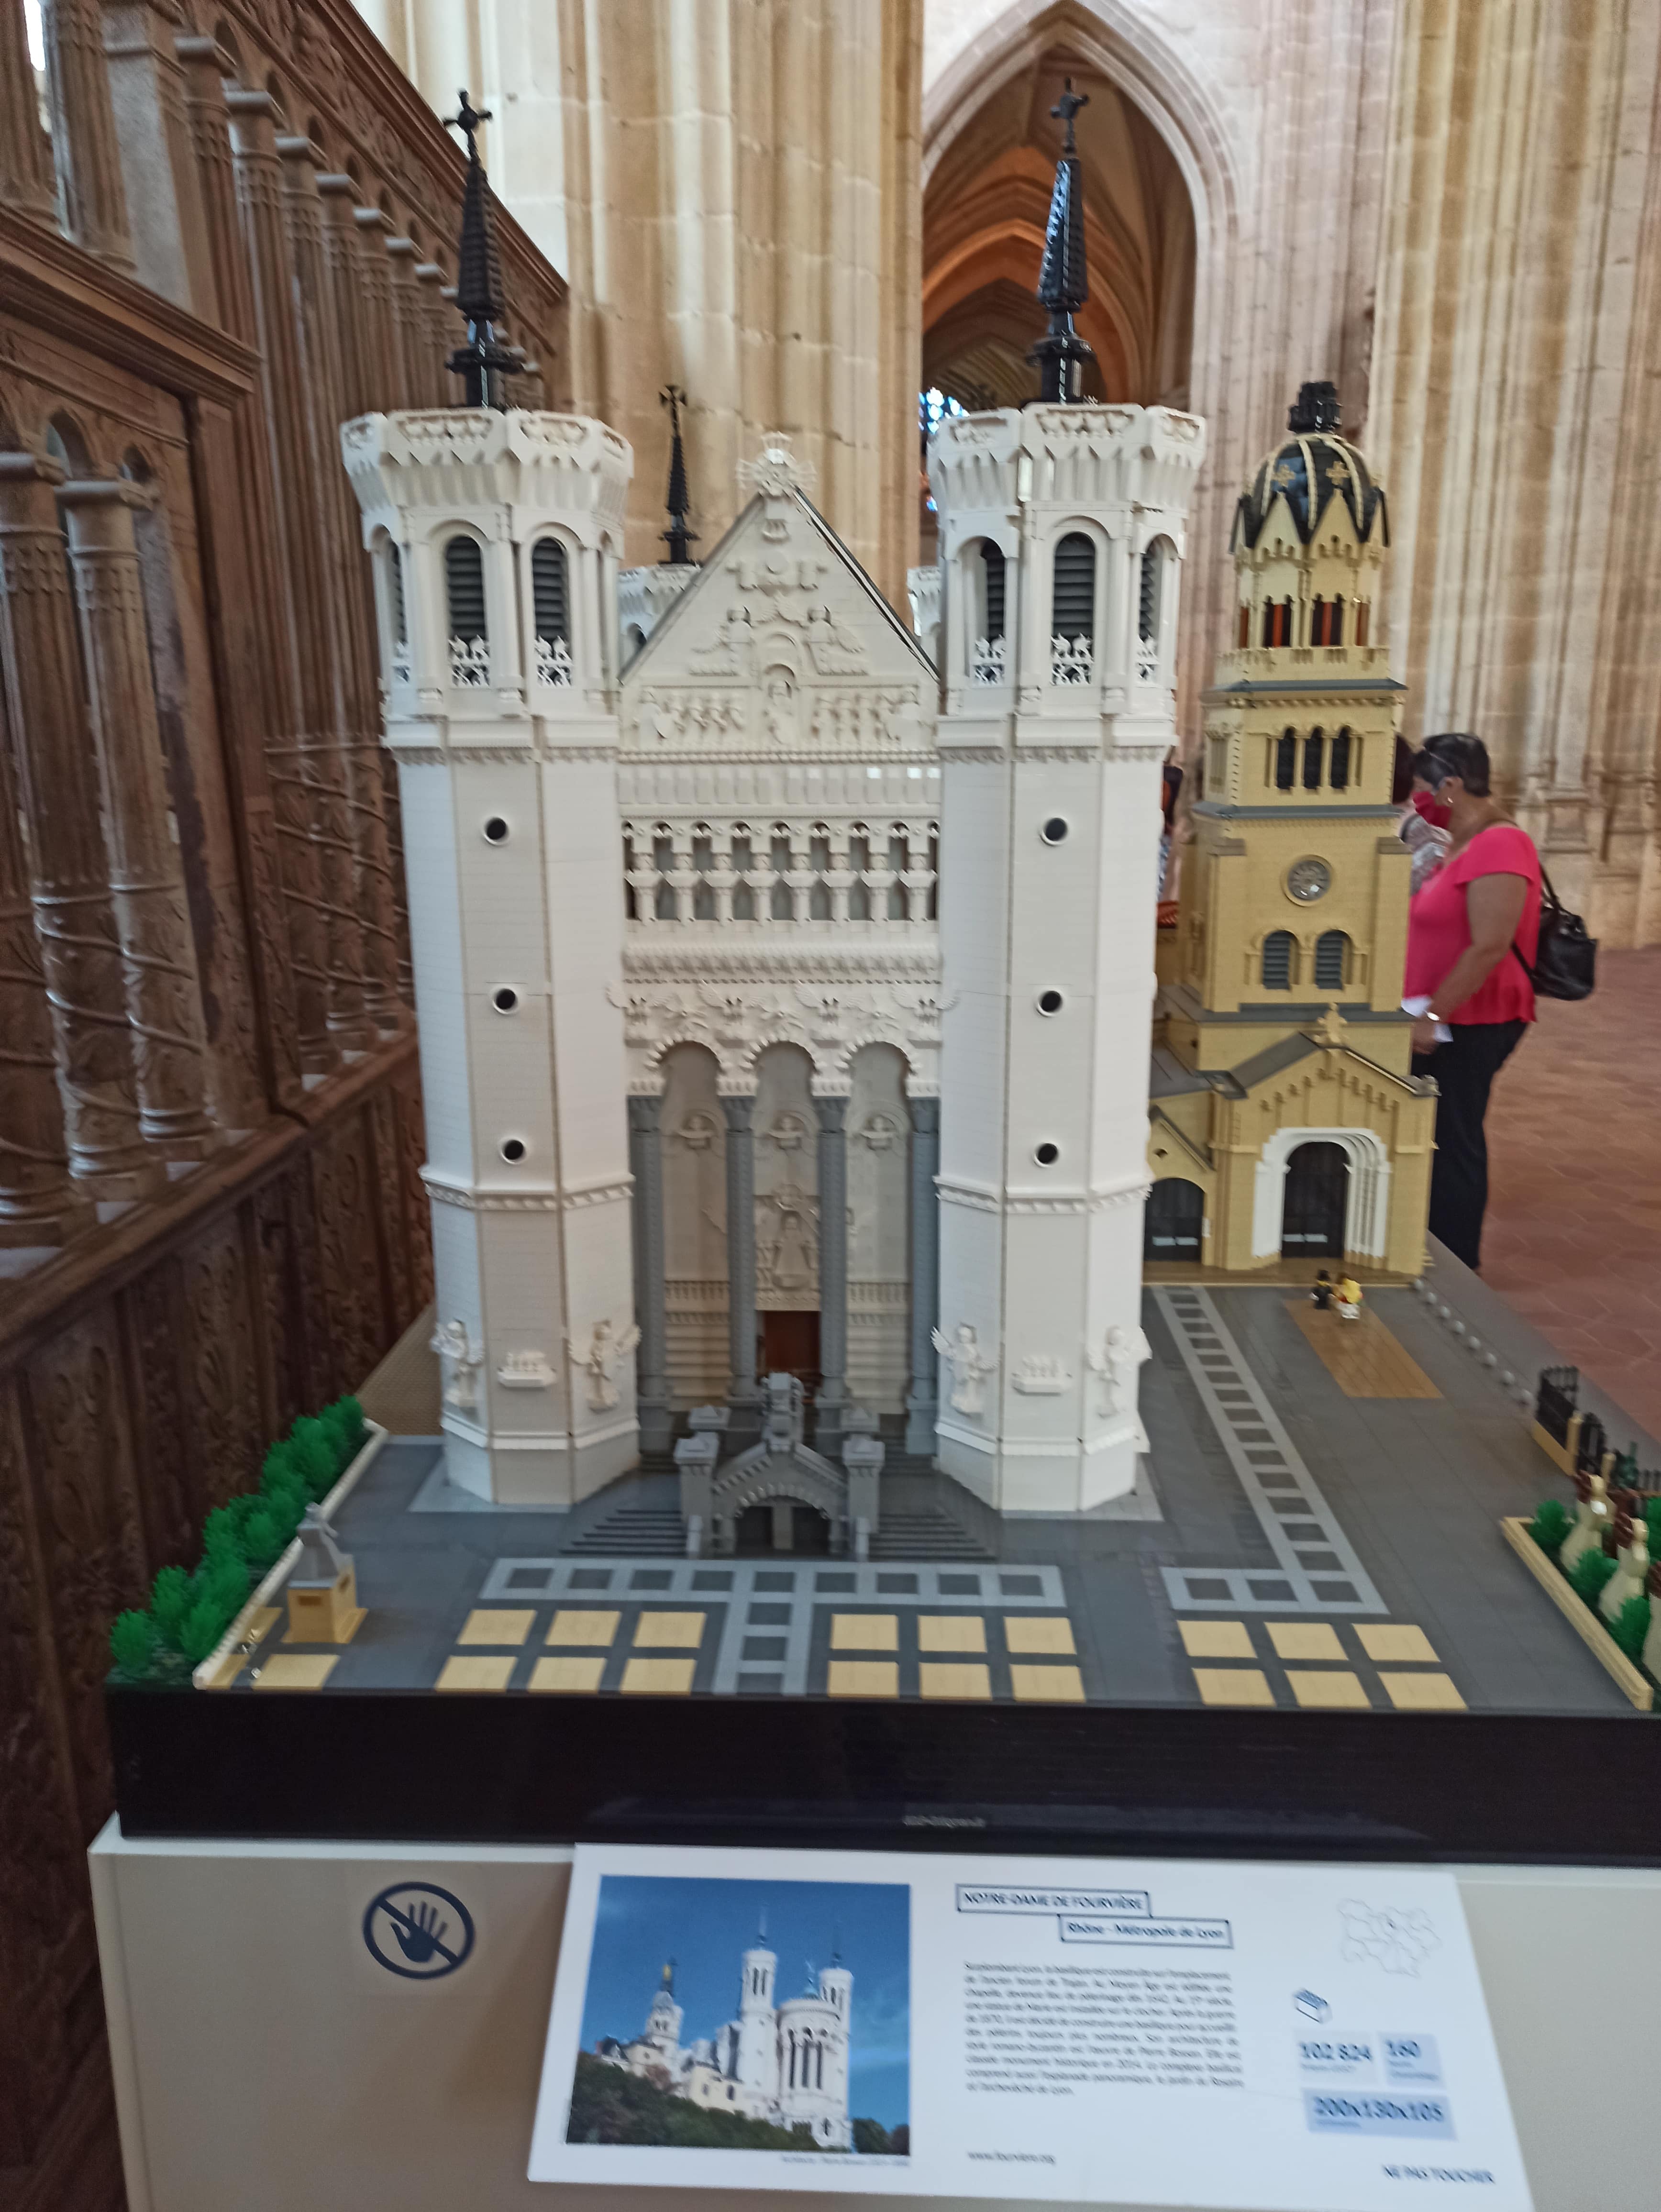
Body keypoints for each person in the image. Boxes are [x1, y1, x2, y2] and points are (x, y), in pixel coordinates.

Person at [1403, 732, 1541, 1270]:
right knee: (1432, 1131)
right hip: (1441, 1013)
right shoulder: (1460, 840)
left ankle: (1457, 1265)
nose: (1417, 799)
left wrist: (1434, 1015)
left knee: (1453, 1135)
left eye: (1422, 788)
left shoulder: (1501, 844)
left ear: (1451, 785)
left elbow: (1490, 944)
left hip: (1473, 1017)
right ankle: (1422, 1242)